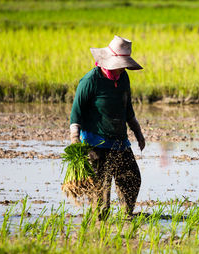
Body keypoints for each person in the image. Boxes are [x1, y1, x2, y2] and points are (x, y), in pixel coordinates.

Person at [69, 35, 145, 217]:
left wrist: (138, 132)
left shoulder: (123, 77)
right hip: (96, 144)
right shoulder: (91, 81)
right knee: (102, 195)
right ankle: (99, 230)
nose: (122, 68)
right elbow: (76, 112)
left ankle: (127, 217)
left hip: (119, 142)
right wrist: (75, 139)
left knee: (132, 179)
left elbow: (128, 108)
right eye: (120, 64)